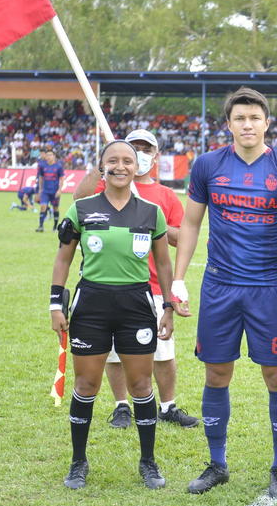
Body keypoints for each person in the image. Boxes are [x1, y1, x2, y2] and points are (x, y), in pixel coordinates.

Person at [174, 87, 277, 498]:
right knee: (217, 373)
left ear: (267, 122)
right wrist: (178, 279)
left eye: (254, 118)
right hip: (219, 287)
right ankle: (217, 464)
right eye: (240, 118)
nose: (247, 124)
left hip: (268, 288)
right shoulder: (207, 165)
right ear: (229, 124)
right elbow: (191, 225)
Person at [50, 140, 179, 490]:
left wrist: (168, 306)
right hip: (91, 305)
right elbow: (63, 259)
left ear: (137, 167)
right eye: (113, 160)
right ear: (101, 167)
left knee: (141, 385)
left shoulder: (151, 212)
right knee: (86, 385)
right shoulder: (82, 209)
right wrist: (55, 305)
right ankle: (78, 462)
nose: (121, 166)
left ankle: (148, 462)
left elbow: (164, 263)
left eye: (127, 161)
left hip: (136, 306)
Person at [73, 129, 197, 430]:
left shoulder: (165, 196)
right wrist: (103, 164)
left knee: (162, 353)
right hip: (109, 285)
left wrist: (151, 220)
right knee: (115, 355)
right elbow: (78, 200)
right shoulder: (105, 186)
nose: (140, 154)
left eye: (146, 149)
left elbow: (180, 237)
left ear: (155, 156)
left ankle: (167, 406)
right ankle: (121, 406)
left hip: (152, 285)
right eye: (134, 147)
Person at [36, 148, 64, 232]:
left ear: (54, 156)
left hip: (55, 192)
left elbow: (61, 179)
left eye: (50, 155)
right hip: (45, 191)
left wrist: (59, 190)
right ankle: (41, 226)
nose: (48, 156)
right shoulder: (42, 166)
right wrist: (40, 189)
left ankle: (55, 227)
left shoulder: (58, 166)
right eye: (47, 155)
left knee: (55, 208)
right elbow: (41, 178)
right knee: (43, 207)